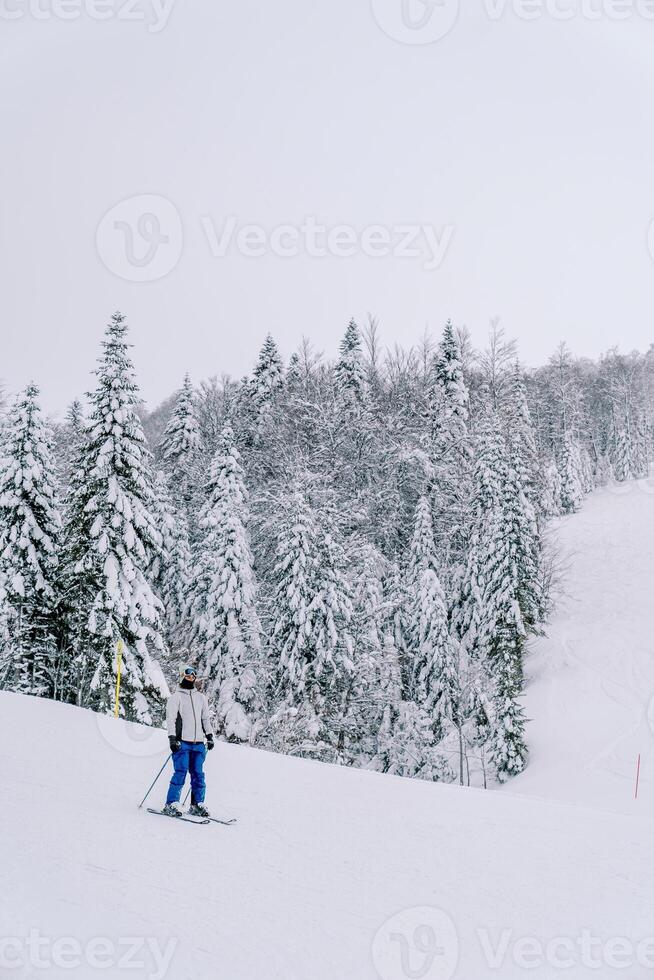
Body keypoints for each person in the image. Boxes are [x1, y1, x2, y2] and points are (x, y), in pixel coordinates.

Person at [163, 666, 215, 818]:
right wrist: (172, 738)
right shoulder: (176, 697)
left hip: (198, 743)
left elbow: (205, 718)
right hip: (182, 742)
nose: (190, 678)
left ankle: (196, 804)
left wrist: (210, 736)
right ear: (182, 677)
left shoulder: (201, 698)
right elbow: (171, 719)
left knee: (198, 774)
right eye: (187, 676)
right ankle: (171, 803)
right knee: (181, 772)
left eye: (193, 676)